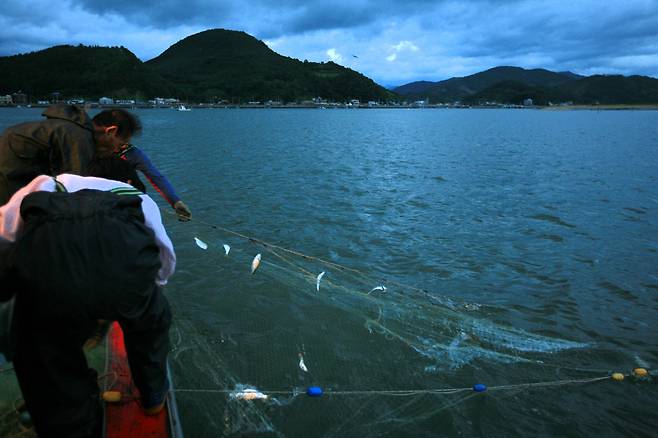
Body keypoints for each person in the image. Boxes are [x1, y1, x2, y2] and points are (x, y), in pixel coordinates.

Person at [0, 173, 176, 437]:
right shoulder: (137, 197)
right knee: (150, 327)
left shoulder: (44, 184)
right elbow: (165, 256)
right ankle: (153, 398)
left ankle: (70, 421)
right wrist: (151, 292)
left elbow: (5, 234)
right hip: (125, 269)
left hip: (49, 266)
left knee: (43, 345)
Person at [0, 104, 141, 205]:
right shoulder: (78, 137)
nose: (117, 149)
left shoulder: (72, 129)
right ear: (111, 131)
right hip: (10, 176)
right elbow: (78, 185)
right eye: (120, 143)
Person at [114, 142, 192, 220]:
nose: (125, 142)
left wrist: (176, 202)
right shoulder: (103, 152)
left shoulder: (132, 153)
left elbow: (156, 177)